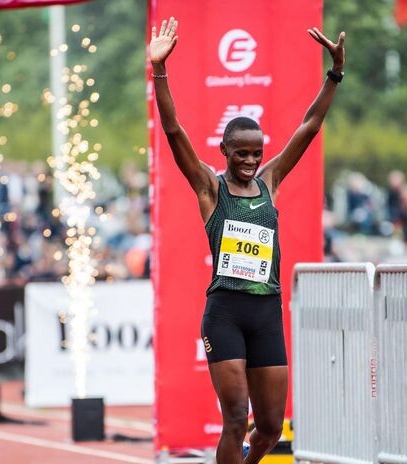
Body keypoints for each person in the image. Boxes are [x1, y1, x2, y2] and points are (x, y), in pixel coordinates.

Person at [149, 17, 345, 464]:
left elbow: (309, 126)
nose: (251, 161)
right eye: (242, 153)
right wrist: (160, 70)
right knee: (236, 418)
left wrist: (334, 73)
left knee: (271, 428)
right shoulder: (210, 188)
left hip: (266, 312)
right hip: (226, 313)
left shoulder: (270, 181)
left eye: (256, 152)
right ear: (225, 151)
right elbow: (174, 130)